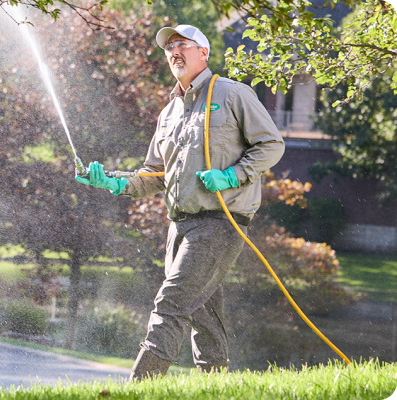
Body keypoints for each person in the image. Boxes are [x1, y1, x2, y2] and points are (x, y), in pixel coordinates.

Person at [74, 24, 285, 380]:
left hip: (222, 221)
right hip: (179, 226)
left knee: (170, 303)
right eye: (169, 46)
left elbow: (271, 145)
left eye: (182, 44)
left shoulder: (234, 94)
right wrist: (112, 181)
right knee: (204, 311)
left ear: (203, 52)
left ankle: (141, 386)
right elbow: (155, 174)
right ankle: (215, 384)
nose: (174, 50)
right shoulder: (168, 112)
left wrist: (233, 175)